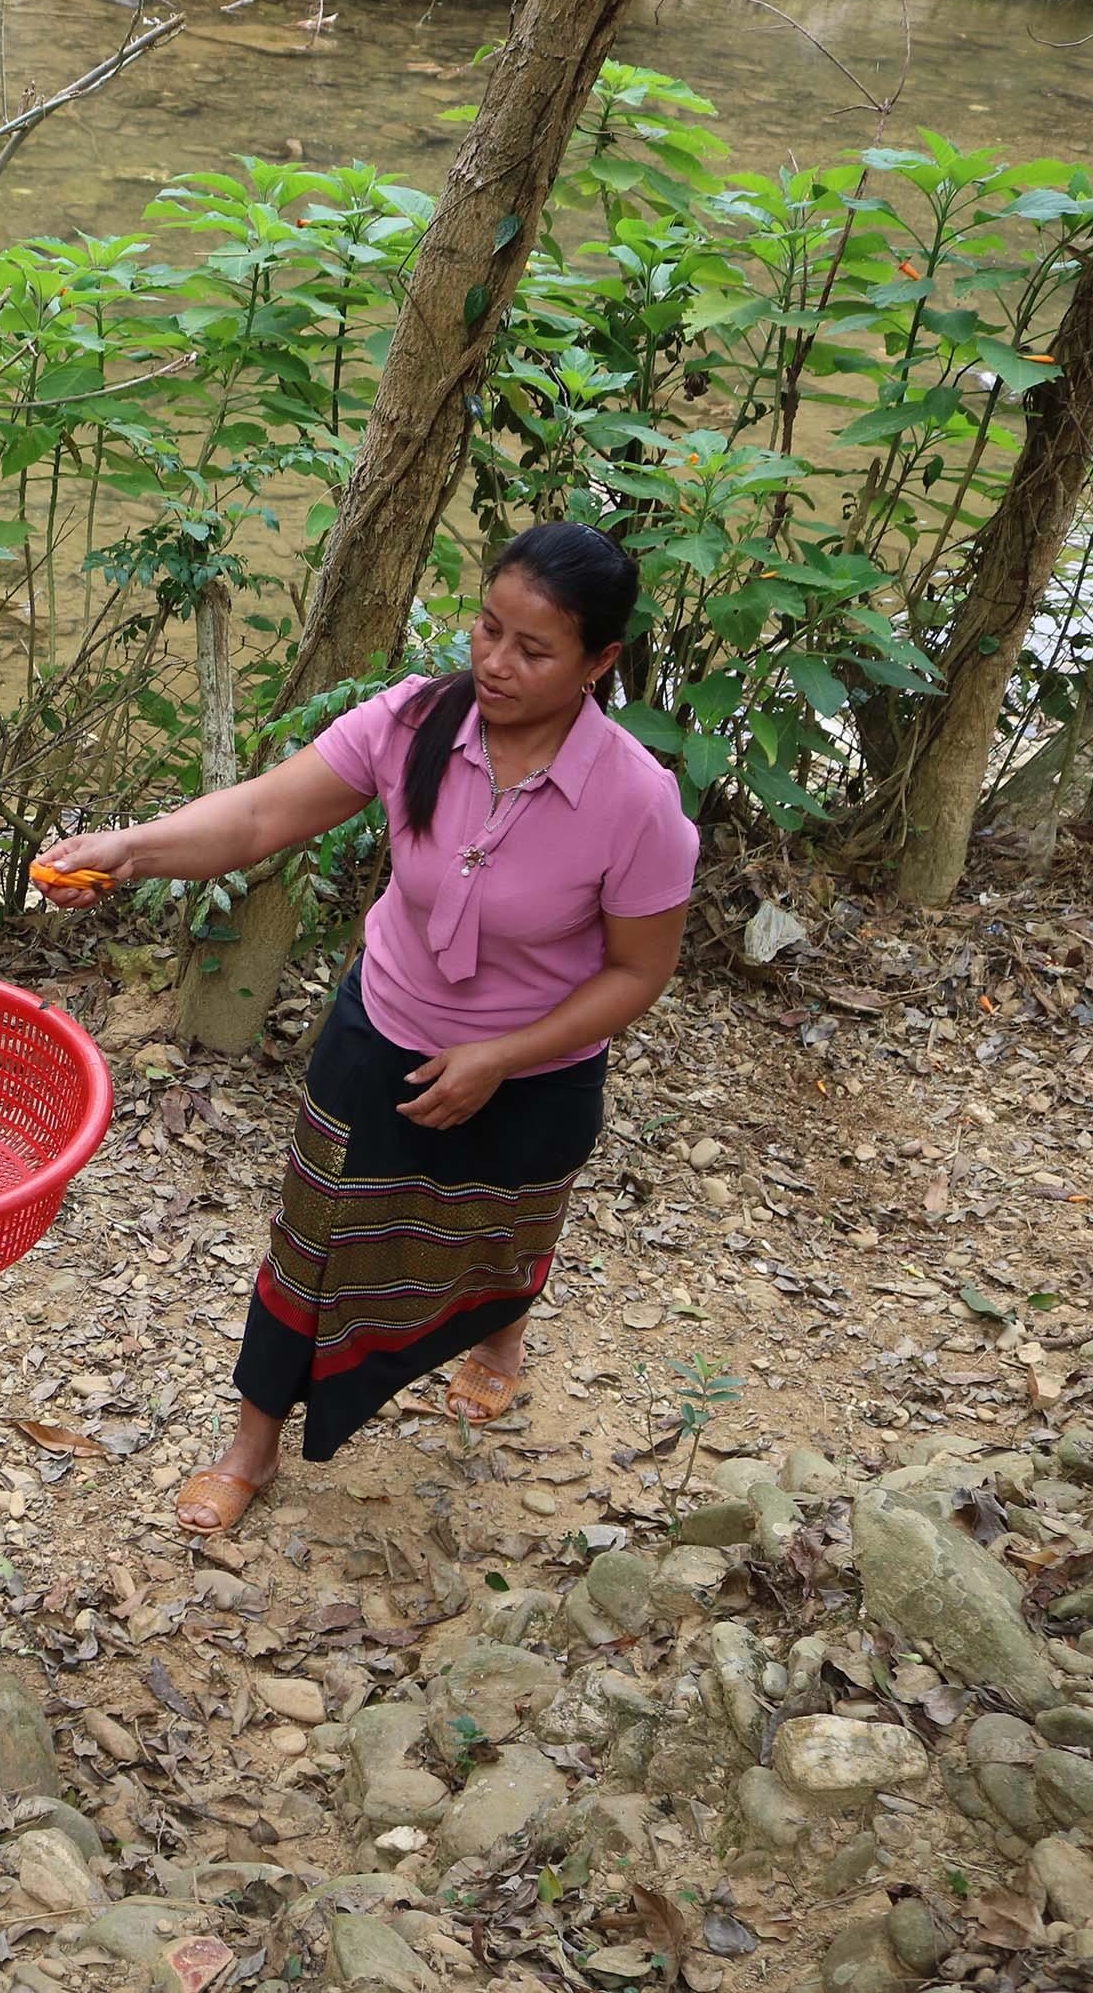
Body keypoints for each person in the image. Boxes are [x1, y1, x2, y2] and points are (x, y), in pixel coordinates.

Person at [37, 521, 694, 1537]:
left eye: (533, 648)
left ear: (601, 662)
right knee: (311, 1245)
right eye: (487, 628)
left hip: (536, 1074)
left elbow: (639, 970)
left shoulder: (638, 802)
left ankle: (497, 1342)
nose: (495, 662)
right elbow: (260, 817)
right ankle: (251, 1448)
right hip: (382, 1032)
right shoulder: (415, 721)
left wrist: (503, 1057)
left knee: (501, 1235)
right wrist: (132, 847)